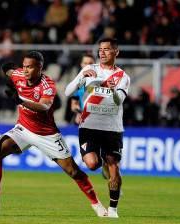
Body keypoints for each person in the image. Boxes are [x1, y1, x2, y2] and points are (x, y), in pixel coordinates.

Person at [0, 51, 106, 217]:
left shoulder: (47, 85)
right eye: (24, 66)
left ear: (40, 68)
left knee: (73, 171)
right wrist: (7, 71)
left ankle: (96, 204)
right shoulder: (19, 75)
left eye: (29, 67)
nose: (25, 70)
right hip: (23, 129)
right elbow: (8, 69)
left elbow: (44, 107)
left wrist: (20, 100)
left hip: (47, 134)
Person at [65, 38, 131, 218]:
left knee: (114, 167)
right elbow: (67, 91)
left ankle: (113, 210)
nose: (102, 52)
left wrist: (111, 89)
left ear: (116, 52)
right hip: (89, 125)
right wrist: (82, 81)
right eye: (100, 49)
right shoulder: (90, 70)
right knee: (92, 164)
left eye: (107, 49)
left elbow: (119, 101)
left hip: (112, 128)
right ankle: (101, 163)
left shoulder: (123, 77)